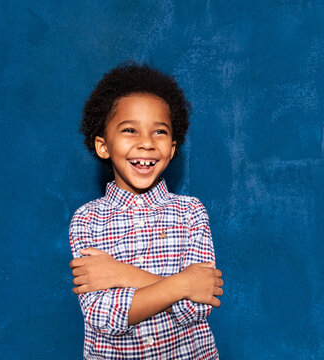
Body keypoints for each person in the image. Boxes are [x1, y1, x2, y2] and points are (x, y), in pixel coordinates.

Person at [69, 62, 224, 359]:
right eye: (130, 130)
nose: (146, 144)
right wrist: (184, 283)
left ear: (173, 147)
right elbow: (104, 317)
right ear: (103, 146)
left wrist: (119, 274)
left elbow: (198, 306)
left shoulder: (191, 212)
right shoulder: (87, 219)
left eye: (159, 132)